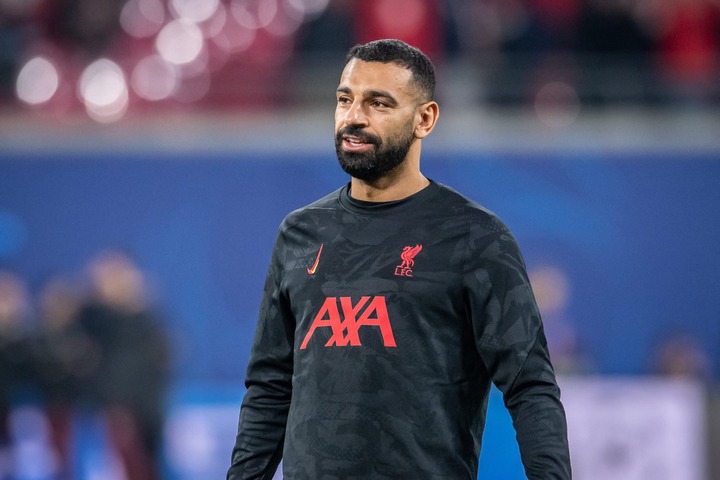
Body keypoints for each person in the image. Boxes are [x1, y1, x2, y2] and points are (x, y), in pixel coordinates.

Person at [227, 39, 571, 479]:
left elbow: (530, 385)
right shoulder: (299, 234)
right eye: (345, 99)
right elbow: (270, 387)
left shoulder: (475, 237)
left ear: (424, 119)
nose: (354, 117)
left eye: (379, 103)